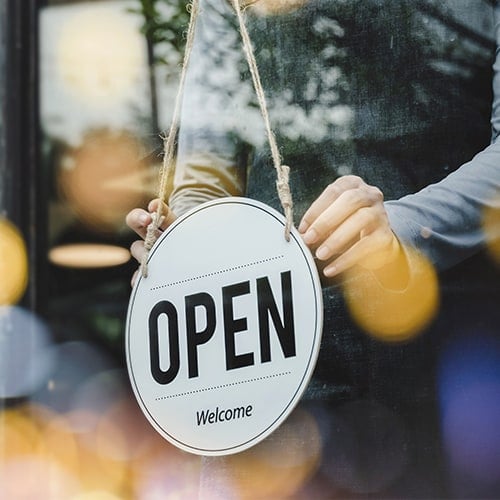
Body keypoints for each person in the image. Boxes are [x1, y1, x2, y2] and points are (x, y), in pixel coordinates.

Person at [126, 0, 500, 497]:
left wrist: (406, 227)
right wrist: (185, 244)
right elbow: (205, 176)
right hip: (268, 356)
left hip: (449, 356)